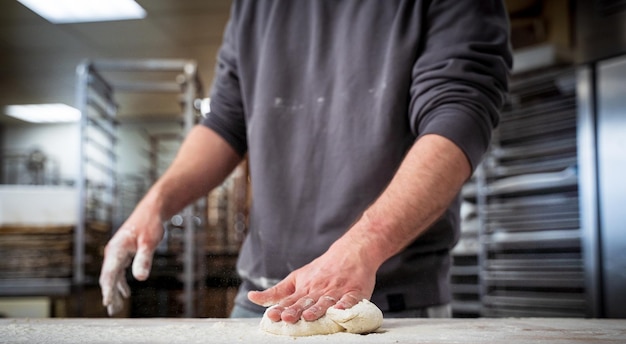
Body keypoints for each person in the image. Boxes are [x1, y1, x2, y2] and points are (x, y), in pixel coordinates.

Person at [99, 0, 512, 322]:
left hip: (383, 303)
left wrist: (364, 246)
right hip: (262, 298)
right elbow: (225, 121)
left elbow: (458, 114)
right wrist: (153, 205)